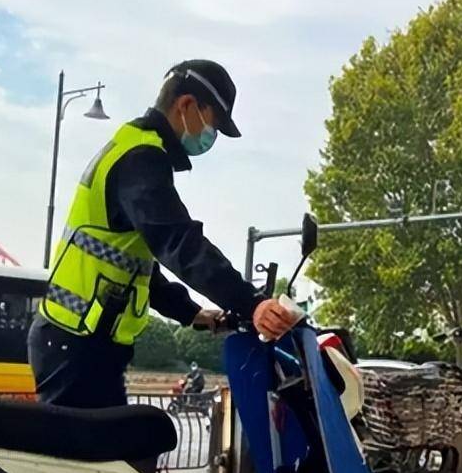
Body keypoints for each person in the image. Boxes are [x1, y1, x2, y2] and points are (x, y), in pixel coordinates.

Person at [29, 59, 297, 407]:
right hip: (75, 342)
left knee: (121, 439)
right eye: (212, 123)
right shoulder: (140, 158)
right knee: (90, 443)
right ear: (186, 105)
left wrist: (192, 313)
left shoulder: (134, 148)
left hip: (83, 340)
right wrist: (252, 302)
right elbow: (178, 241)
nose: (211, 136)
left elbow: (135, 267)